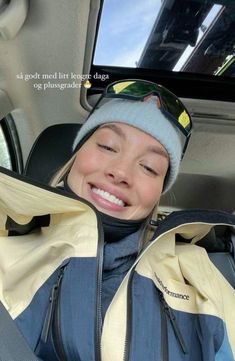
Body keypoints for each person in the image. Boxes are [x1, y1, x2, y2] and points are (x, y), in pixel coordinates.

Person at [0, 79, 234, 361]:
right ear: (76, 156)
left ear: (158, 193)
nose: (121, 172)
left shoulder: (199, 272)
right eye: (108, 147)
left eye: (149, 167)